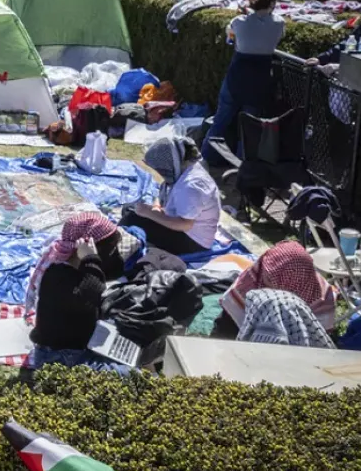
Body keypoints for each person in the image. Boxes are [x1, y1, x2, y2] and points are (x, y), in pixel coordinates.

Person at [24, 213, 132, 376]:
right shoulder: (58, 275)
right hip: (60, 356)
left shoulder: (69, 268)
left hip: (75, 346)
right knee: (133, 375)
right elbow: (94, 291)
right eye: (109, 249)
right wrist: (91, 259)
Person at [202, 0, 285, 165]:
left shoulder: (239, 21)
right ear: (272, 4)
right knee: (249, 127)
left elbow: (230, 35)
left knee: (220, 120)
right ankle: (243, 166)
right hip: (260, 79)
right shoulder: (279, 23)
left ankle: (204, 158)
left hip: (237, 76)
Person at [211, 241, 336, 341]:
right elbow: (226, 326)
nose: (263, 279)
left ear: (291, 283)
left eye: (271, 279)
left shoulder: (320, 296)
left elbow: (317, 340)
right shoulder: (254, 277)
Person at [122, 138, 221, 255]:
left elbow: (185, 224)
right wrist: (156, 207)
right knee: (130, 208)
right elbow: (165, 193)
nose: (160, 172)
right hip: (184, 229)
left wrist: (150, 213)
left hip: (193, 241)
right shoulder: (187, 169)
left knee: (130, 218)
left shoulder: (191, 185)